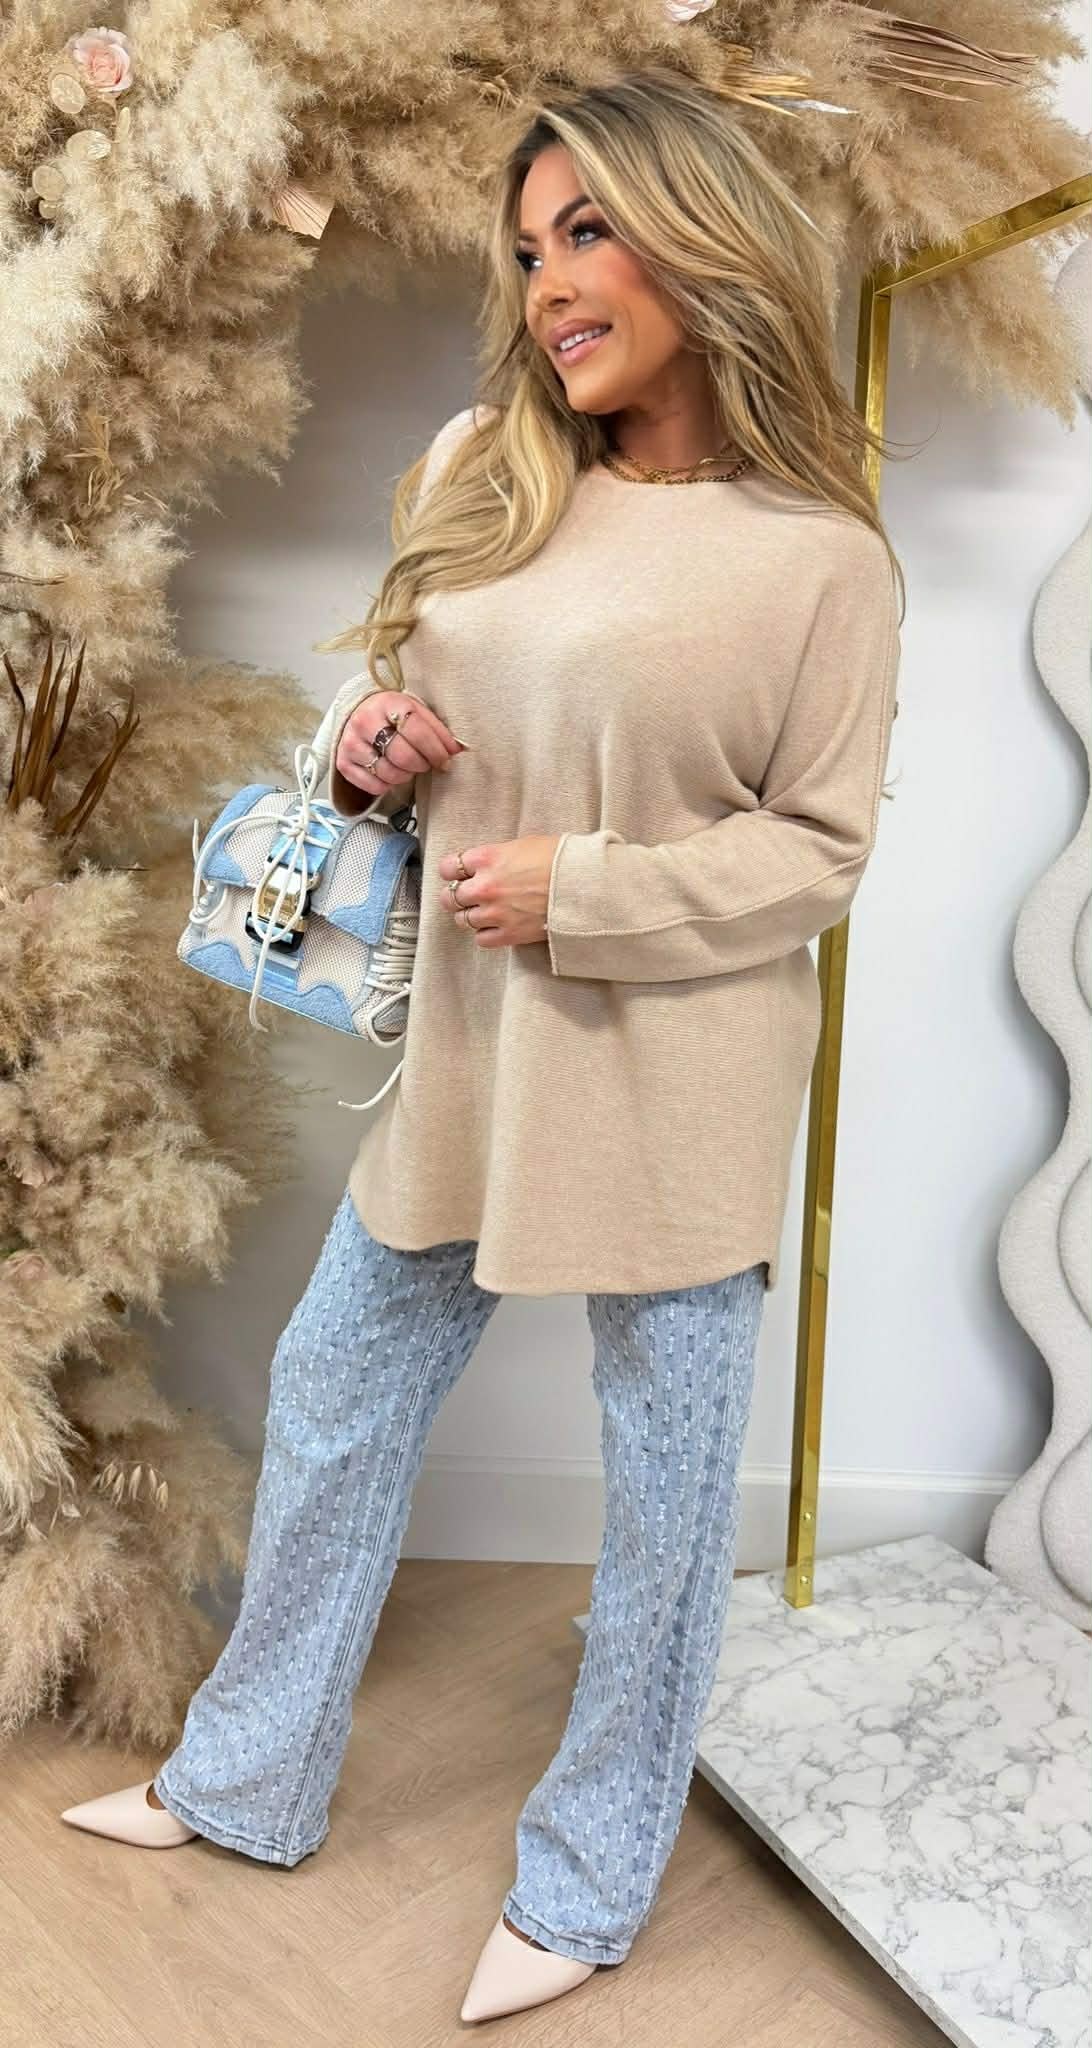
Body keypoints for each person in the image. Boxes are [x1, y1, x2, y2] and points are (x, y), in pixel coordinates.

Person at [58, 64, 904, 2027]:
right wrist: (369, 747)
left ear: (704, 236)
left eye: (590, 232)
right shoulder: (481, 463)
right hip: (467, 1049)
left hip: (675, 1084)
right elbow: (405, 701)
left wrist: (582, 888)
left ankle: (589, 1884)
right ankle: (246, 1776)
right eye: (530, 250)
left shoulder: (820, 557)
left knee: (665, 1501)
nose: (552, 287)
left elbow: (819, 852)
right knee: (338, 1386)